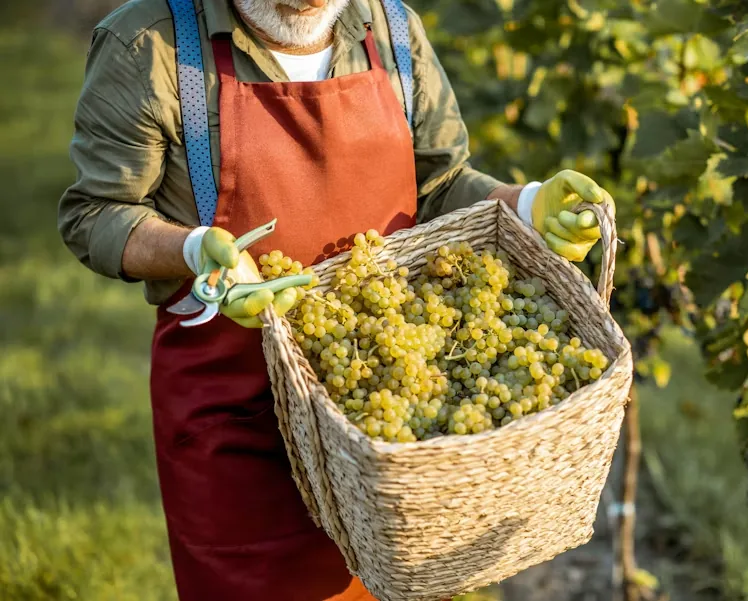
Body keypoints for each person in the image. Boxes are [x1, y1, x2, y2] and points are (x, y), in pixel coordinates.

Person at [57, 0, 614, 599]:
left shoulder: (393, 31)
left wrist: (526, 204)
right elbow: (96, 213)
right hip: (236, 417)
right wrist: (194, 250)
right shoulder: (151, 45)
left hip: (384, 423)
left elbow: (441, 184)